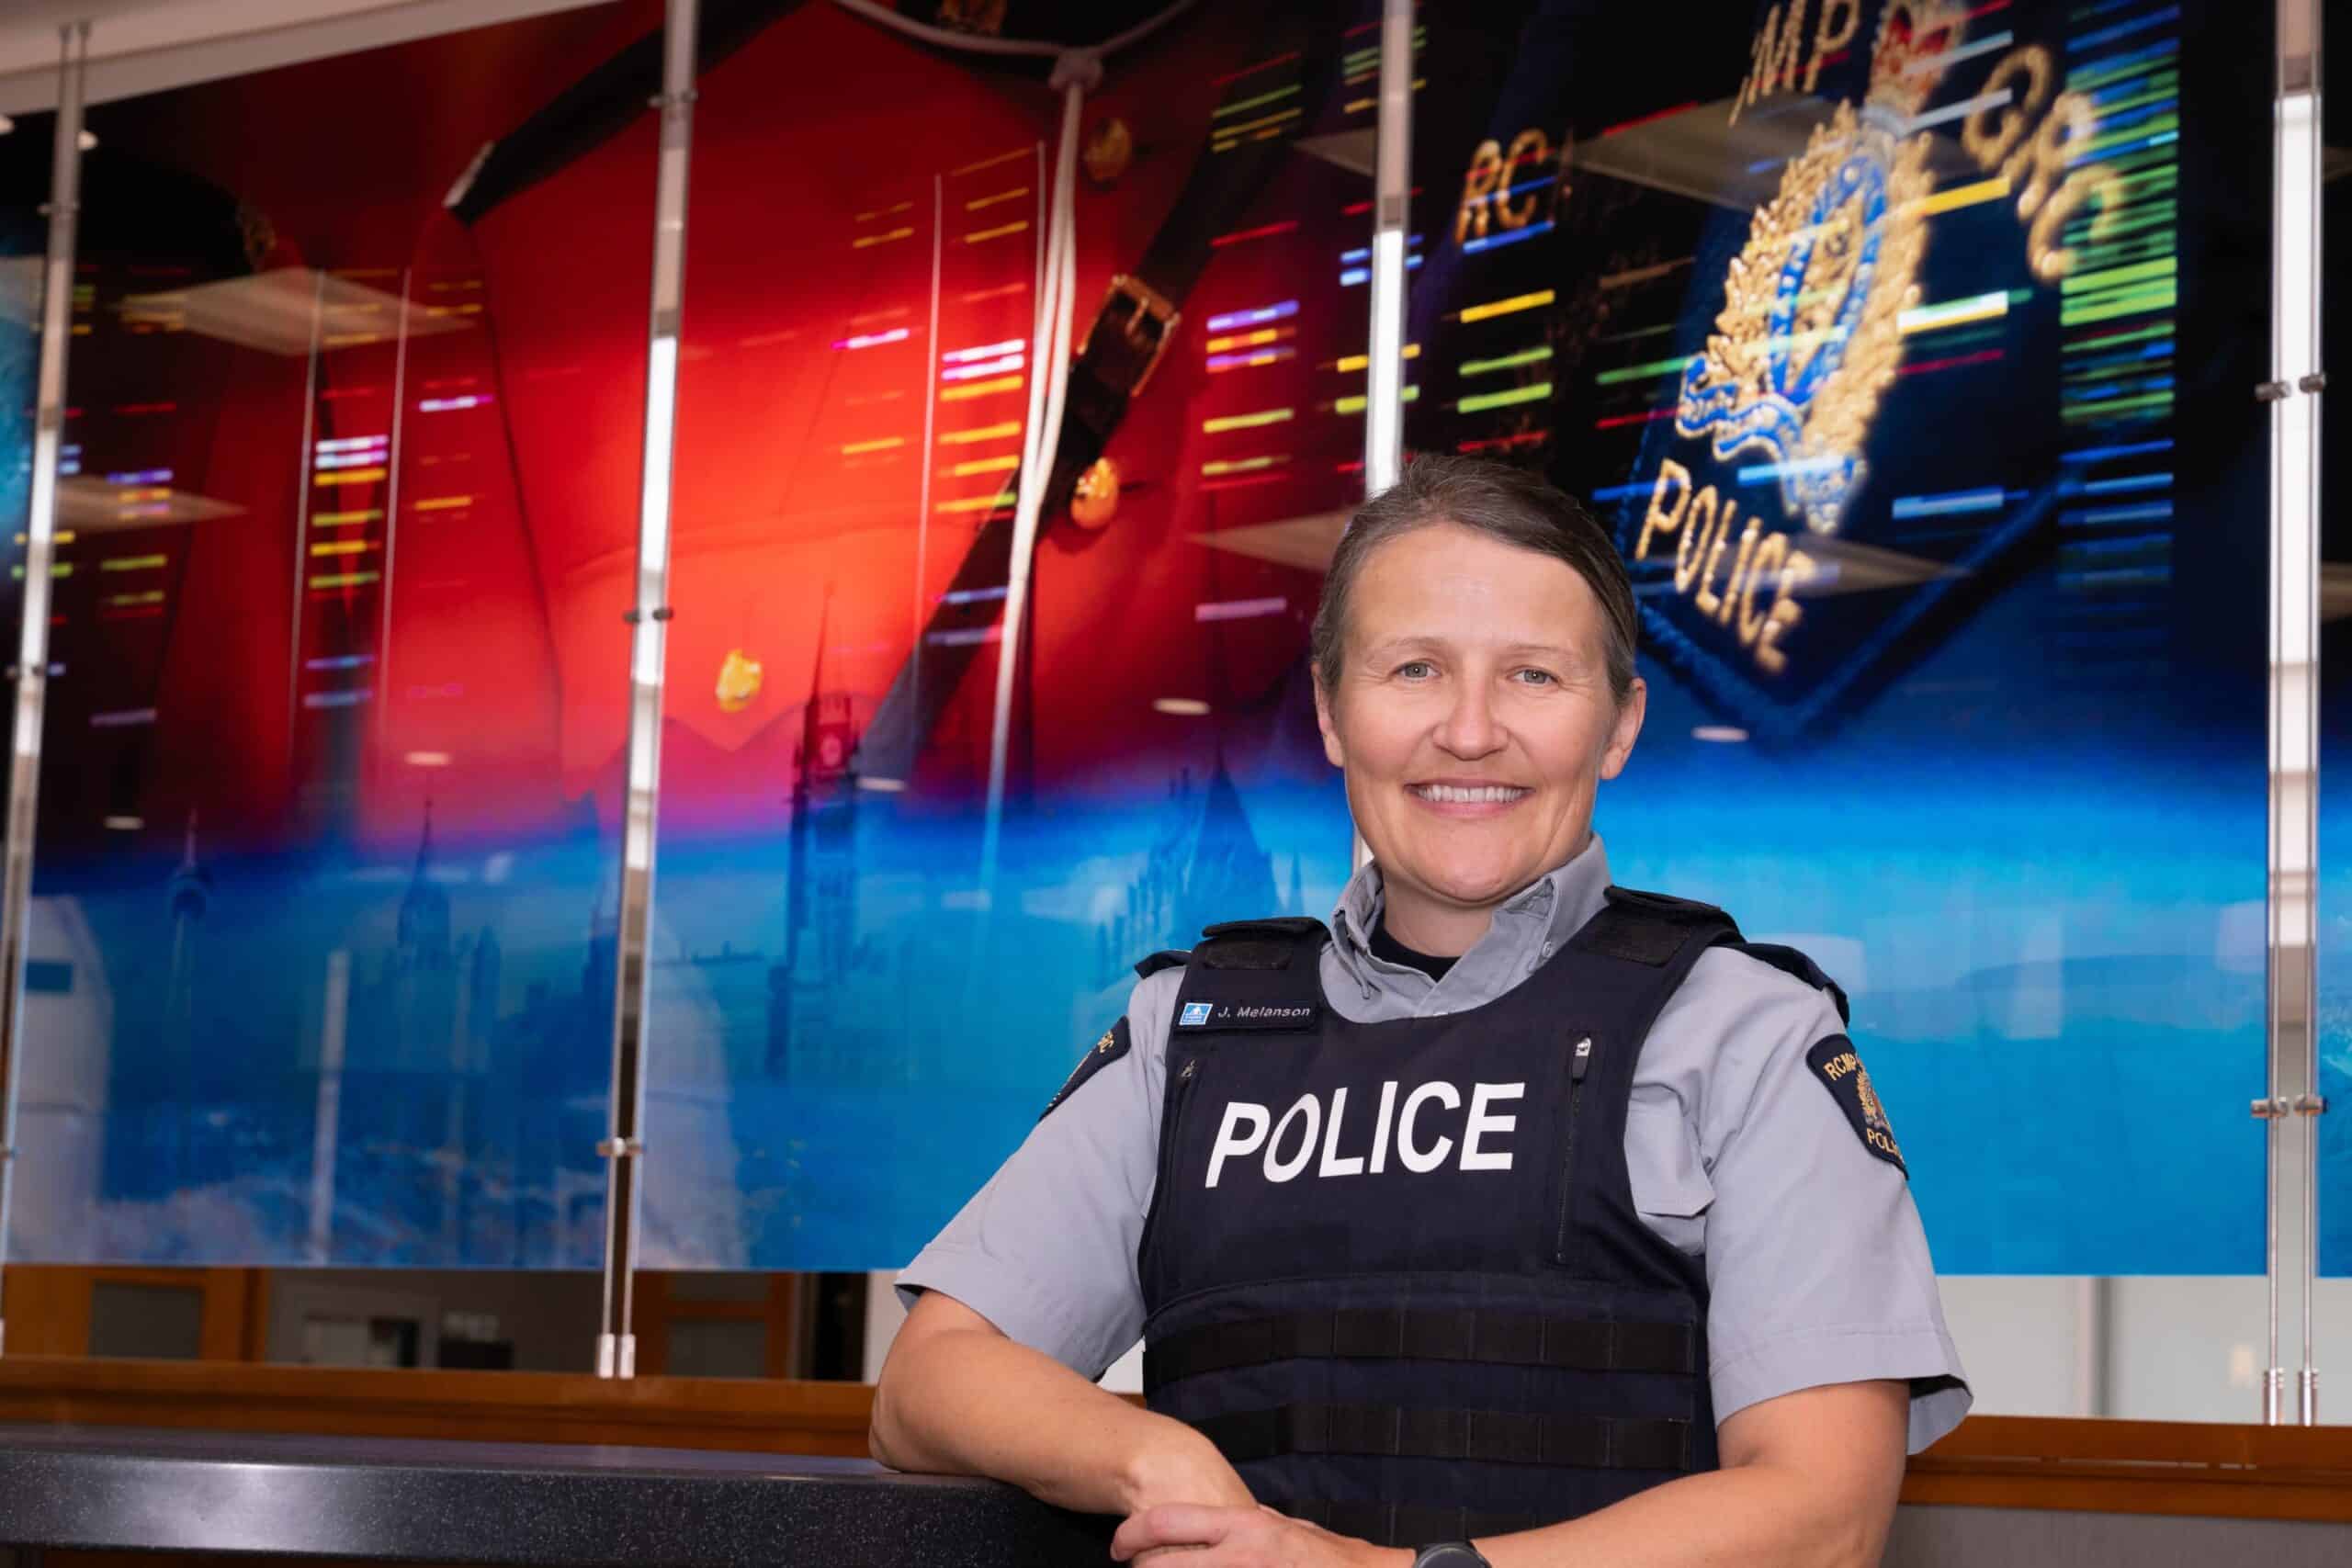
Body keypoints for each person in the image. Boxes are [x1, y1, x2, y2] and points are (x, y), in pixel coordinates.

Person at [871, 456, 1969, 1568]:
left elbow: (1823, 1518)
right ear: (1331, 711)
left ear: (1619, 724)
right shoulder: (1189, 1033)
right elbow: (924, 1386)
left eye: (1533, 675)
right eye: (1414, 669)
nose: (1470, 730)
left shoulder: (1744, 1034)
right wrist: (1154, 1462)